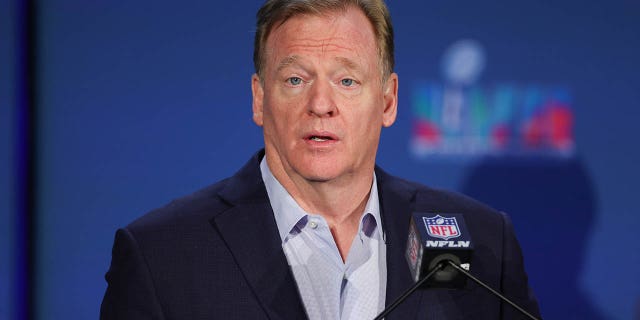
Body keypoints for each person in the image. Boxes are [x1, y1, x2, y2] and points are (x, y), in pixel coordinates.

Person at [100, 0, 541, 319]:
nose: (321, 104)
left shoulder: (483, 244)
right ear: (259, 99)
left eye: (347, 80)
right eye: (295, 79)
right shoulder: (163, 257)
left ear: (387, 101)